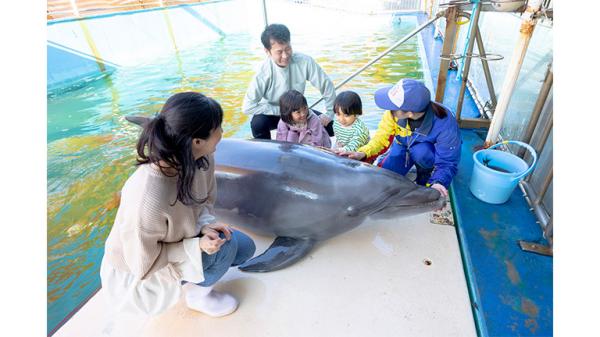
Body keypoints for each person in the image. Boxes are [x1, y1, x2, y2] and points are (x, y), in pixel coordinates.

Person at [100, 92, 256, 318]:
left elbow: (203, 203)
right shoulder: (148, 197)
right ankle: (197, 296)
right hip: (140, 275)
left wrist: (205, 225)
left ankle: (194, 277)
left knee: (243, 248)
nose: (222, 133)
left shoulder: (202, 157)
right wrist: (195, 248)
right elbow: (142, 264)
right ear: (197, 141)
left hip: (175, 242)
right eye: (218, 128)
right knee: (227, 250)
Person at [337, 79, 461, 197]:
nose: (388, 109)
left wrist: (439, 182)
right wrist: (362, 153)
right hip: (402, 146)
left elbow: (448, 162)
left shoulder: (446, 123)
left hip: (426, 153)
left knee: (421, 153)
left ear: (410, 113)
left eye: (393, 106)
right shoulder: (393, 114)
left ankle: (426, 174)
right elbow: (381, 139)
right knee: (383, 180)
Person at [243, 23, 336, 139]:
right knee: (258, 124)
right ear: (267, 51)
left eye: (288, 49)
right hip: (274, 113)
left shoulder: (304, 61)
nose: (285, 55)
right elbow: (247, 106)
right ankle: (269, 154)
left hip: (299, 112)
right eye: (279, 52)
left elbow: (326, 85)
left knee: (330, 127)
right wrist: (282, 111)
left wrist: (329, 113)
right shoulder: (263, 73)